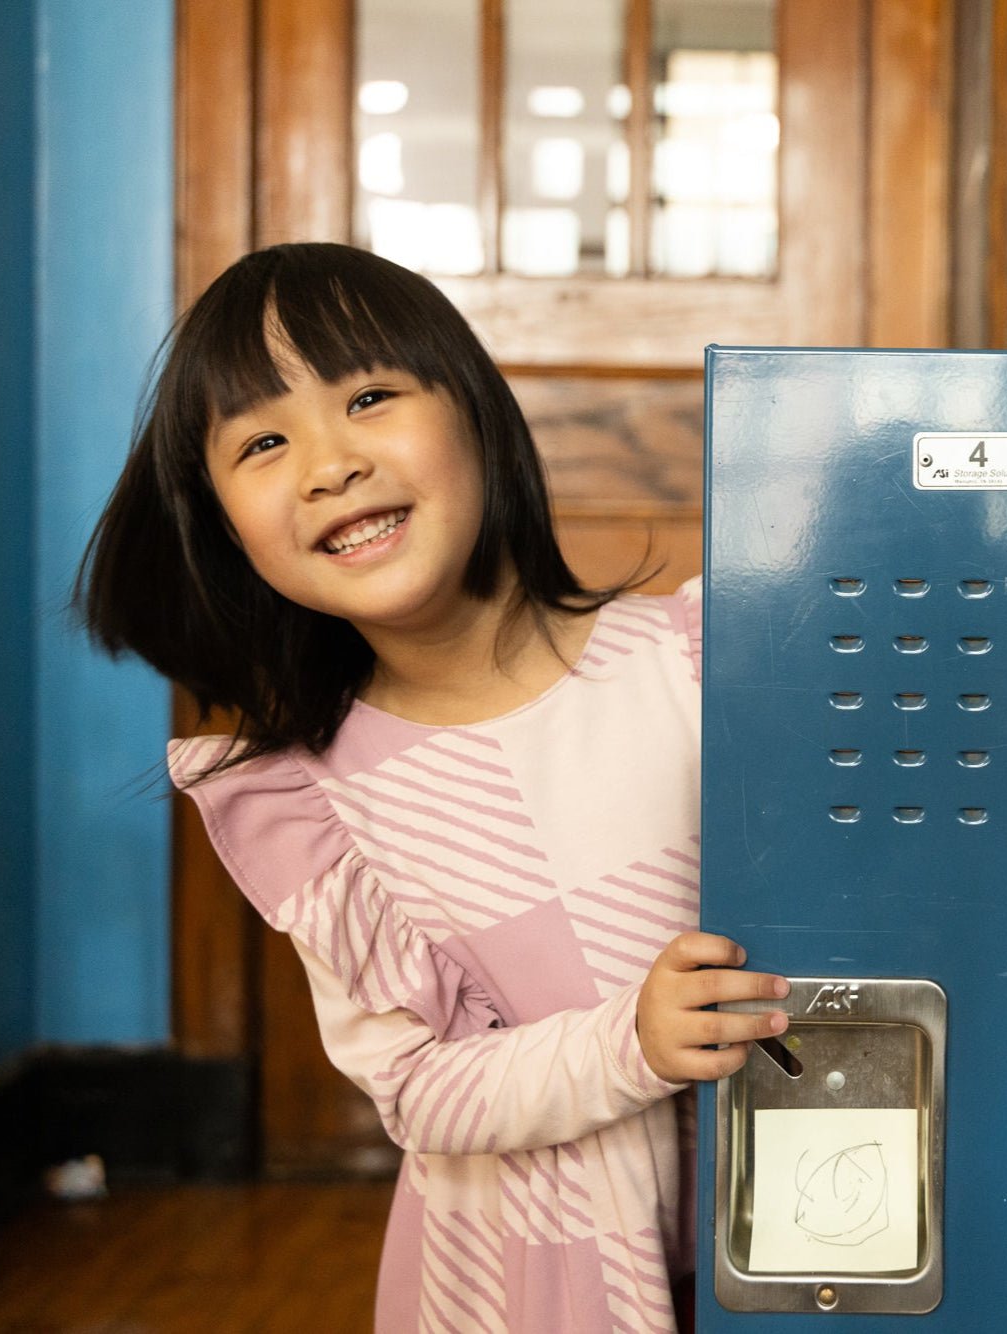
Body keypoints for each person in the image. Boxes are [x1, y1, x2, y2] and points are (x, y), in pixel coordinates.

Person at [78, 242, 789, 1333]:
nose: (328, 463)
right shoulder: (316, 809)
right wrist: (627, 1044)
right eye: (264, 442)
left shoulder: (695, 660)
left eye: (368, 396)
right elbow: (419, 1088)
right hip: (527, 1282)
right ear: (225, 528)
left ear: (476, 416)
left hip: (785, 1218)